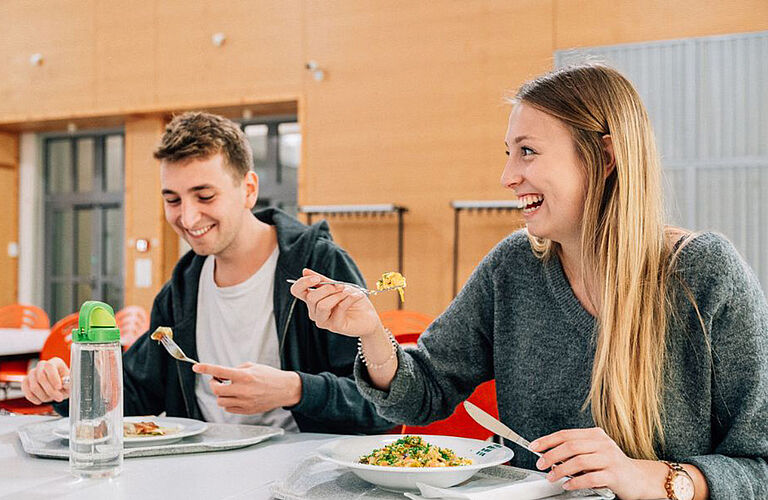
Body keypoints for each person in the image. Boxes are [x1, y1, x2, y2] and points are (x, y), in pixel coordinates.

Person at [290, 64, 768, 499]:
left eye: (528, 152)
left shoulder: (705, 273)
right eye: (508, 153)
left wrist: (653, 478)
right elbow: (425, 392)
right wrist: (371, 333)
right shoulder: (513, 265)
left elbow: (759, 467)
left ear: (604, 158)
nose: (507, 176)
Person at [22, 111, 394, 434]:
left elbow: (383, 409)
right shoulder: (181, 289)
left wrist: (295, 389)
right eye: (172, 199)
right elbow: (135, 393)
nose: (187, 217)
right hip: (201, 475)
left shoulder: (319, 267)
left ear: (248, 189)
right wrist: (72, 389)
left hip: (302, 477)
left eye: (205, 196)